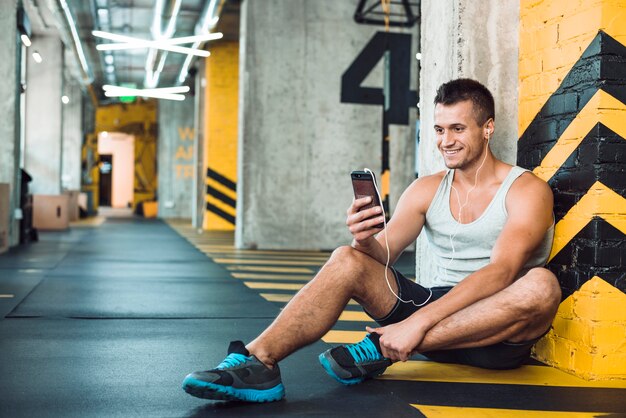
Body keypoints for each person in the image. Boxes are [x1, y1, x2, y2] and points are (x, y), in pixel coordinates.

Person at [182, 78, 560, 403]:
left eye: (458, 129)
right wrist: (364, 239)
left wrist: (414, 326)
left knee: (541, 286)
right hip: (429, 311)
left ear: (488, 128)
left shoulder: (525, 190)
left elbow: (502, 272)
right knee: (346, 257)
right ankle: (257, 361)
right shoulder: (426, 189)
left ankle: (378, 350)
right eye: (439, 129)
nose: (446, 141)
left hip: (491, 333)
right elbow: (383, 253)